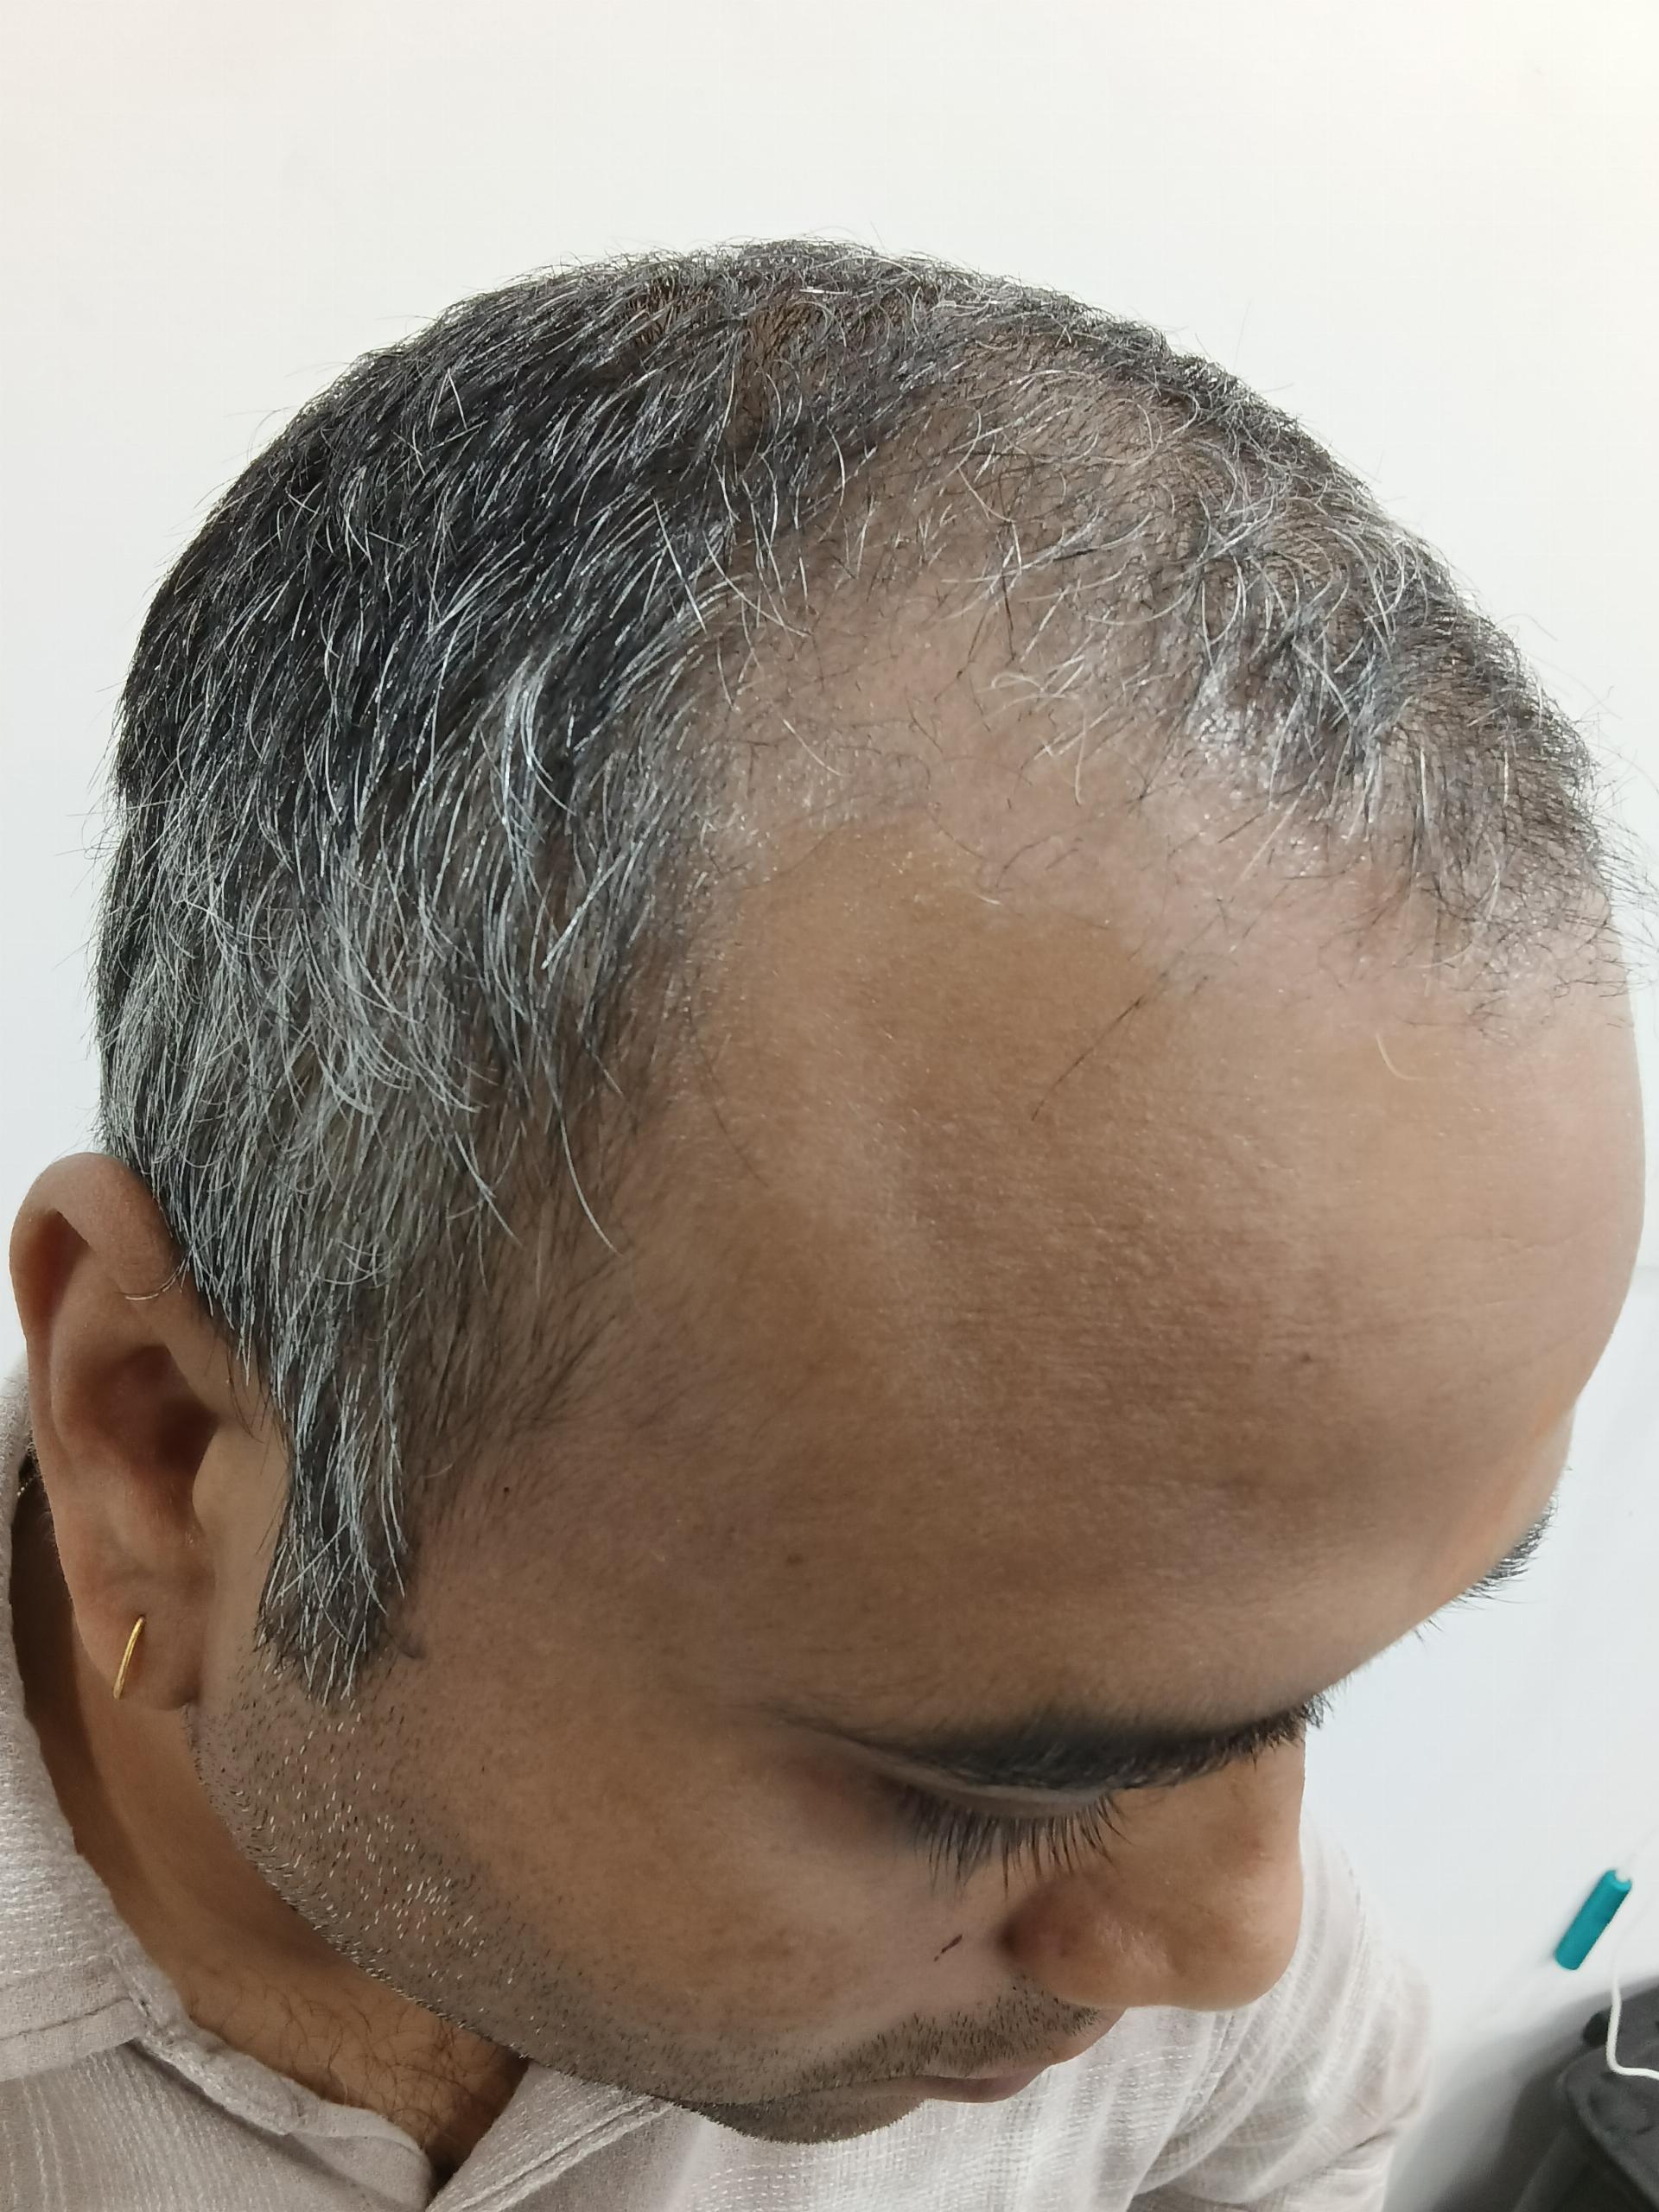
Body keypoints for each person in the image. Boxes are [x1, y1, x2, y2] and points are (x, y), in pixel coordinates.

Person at [2, 239, 1645, 2211]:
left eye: (1320, 1689)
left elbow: (1298, 2131)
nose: (1242, 1945)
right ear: (163, 1450)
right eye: (984, 1796)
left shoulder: (1146, 1821)